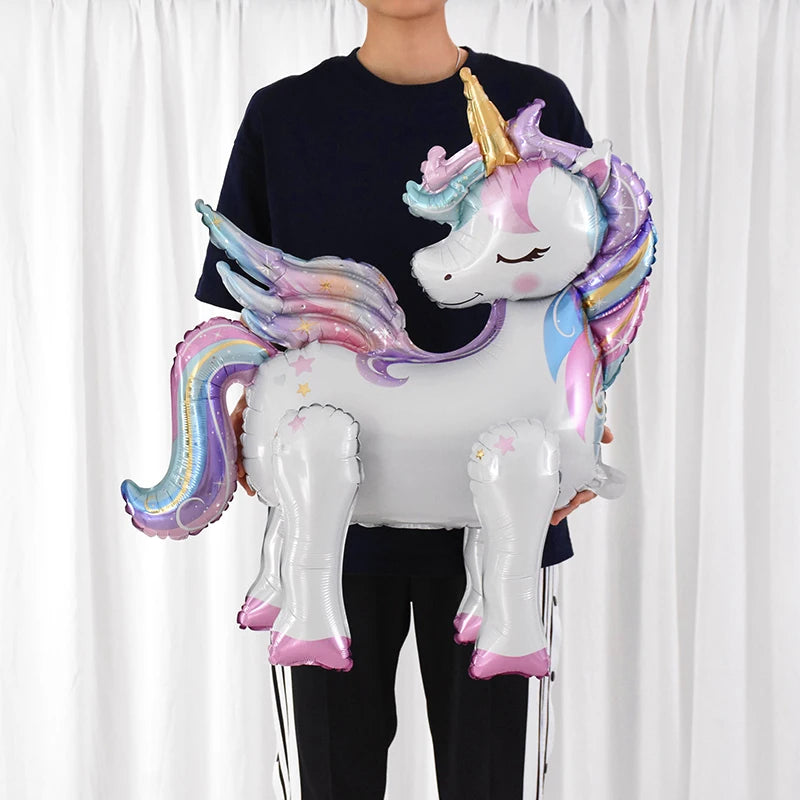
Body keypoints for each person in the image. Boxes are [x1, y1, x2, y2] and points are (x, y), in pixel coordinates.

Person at [195, 2, 612, 797]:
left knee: (490, 783)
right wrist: (244, 422)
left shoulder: (537, 106)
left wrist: (584, 423)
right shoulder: (284, 118)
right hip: (331, 523)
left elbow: (582, 301)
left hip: (501, 521)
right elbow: (256, 319)